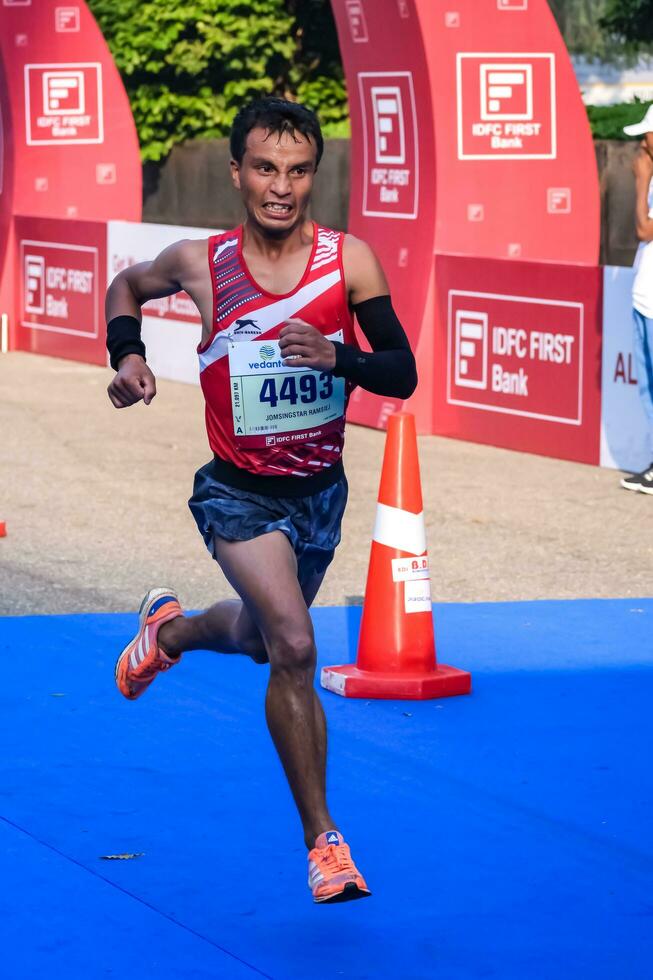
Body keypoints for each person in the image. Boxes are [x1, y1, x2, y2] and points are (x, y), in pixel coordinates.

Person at [105, 97, 417, 904]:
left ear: (315, 174)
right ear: (238, 172)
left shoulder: (349, 263)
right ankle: (325, 844)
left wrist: (340, 356)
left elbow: (401, 371)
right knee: (296, 645)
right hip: (237, 496)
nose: (281, 186)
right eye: (266, 169)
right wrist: (129, 357)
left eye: (299, 170)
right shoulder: (200, 264)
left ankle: (167, 630)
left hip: (317, 497)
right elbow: (123, 285)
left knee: (257, 639)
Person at [621, 104, 653, 494]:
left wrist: (641, 182)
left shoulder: (648, 176)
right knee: (647, 388)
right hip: (644, 299)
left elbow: (644, 229)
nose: (643, 143)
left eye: (646, 134)